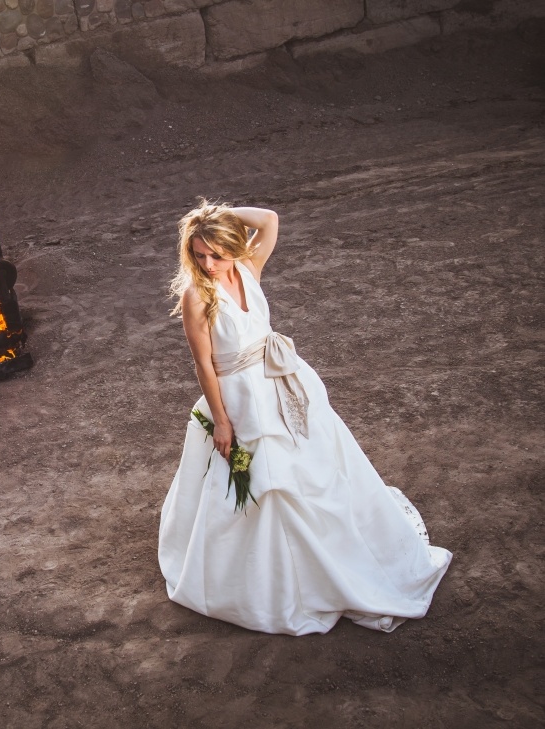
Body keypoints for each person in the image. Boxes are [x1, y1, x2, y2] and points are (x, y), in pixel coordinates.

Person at [158, 200, 451, 635]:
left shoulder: (249, 267)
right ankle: (268, 584)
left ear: (234, 248)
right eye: (199, 254)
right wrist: (221, 420)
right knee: (265, 482)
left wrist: (211, 216)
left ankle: (331, 563)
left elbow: (269, 220)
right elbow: (204, 365)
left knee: (318, 470)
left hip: (284, 383)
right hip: (239, 398)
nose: (208, 263)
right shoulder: (197, 295)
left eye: (216, 254)